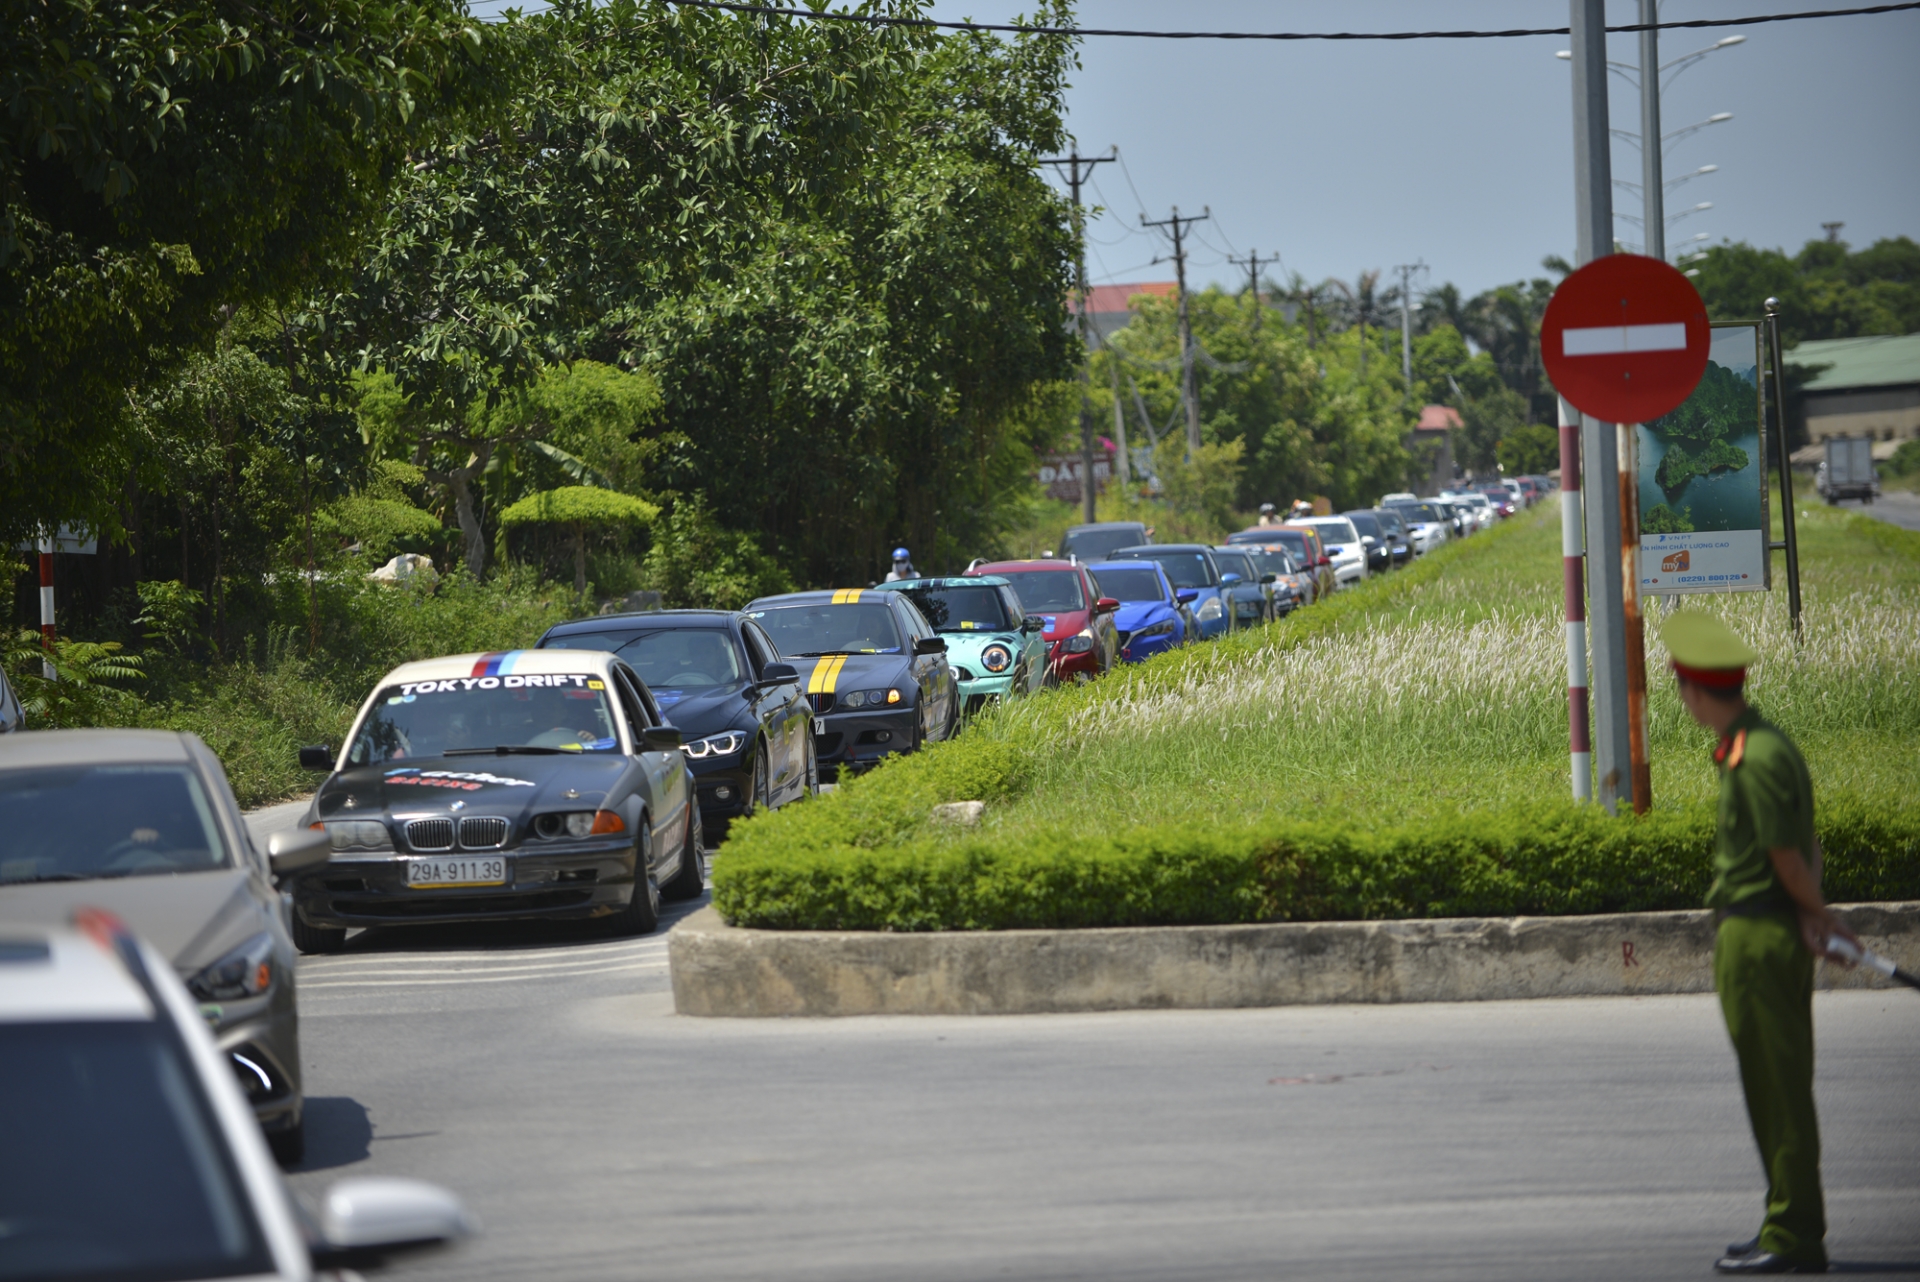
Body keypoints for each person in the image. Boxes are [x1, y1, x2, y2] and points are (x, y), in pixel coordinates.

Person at [1661, 612, 1857, 1276]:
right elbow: (1807, 847)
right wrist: (1812, 913)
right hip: (1771, 927)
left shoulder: (1755, 756)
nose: (1680, 698)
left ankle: (1794, 1233)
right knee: (1774, 1086)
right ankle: (1785, 1219)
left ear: (1694, 688)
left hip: (1758, 936)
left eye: (1680, 686)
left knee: (1777, 1090)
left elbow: (1787, 858)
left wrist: (1818, 915)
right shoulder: (1764, 744)